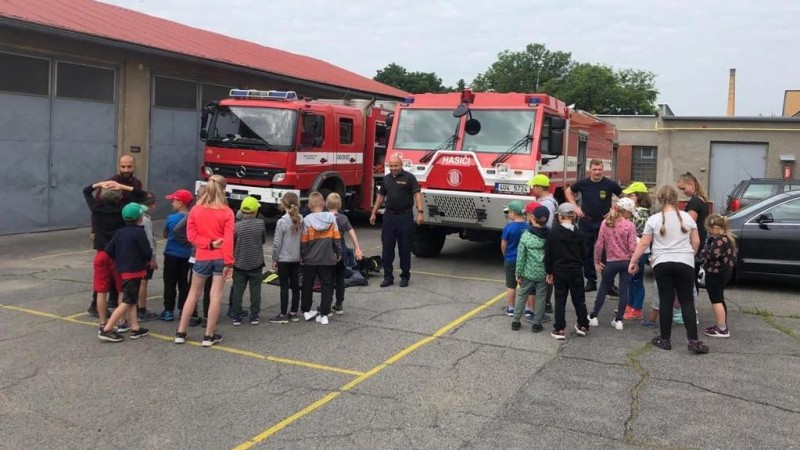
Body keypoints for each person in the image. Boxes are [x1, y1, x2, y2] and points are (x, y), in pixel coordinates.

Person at [628, 185, 709, 354]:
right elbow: (696, 242)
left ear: (659, 199)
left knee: (666, 300)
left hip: (662, 263)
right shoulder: (687, 218)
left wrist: (633, 261)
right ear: (676, 199)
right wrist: (689, 255)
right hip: (684, 262)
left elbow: (643, 243)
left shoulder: (654, 219)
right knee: (687, 301)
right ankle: (693, 340)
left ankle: (665, 339)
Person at [174, 175, 234, 347]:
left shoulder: (196, 210)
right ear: (223, 190)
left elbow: (190, 235)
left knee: (193, 293)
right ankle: (208, 335)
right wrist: (229, 262)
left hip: (202, 255)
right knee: (215, 295)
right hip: (220, 255)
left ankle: (181, 331)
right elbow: (229, 239)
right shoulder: (226, 212)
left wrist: (207, 244)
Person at [88, 154, 144, 317]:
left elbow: (141, 197)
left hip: (125, 229)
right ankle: (98, 304)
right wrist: (94, 230)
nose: (126, 169)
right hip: (111, 233)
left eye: (129, 166)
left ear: (134, 167)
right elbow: (96, 209)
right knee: (108, 274)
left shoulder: (136, 184)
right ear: (119, 166)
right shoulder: (110, 183)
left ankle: (114, 301)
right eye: (123, 166)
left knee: (115, 271)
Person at [564, 159, 623, 293]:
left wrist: (615, 209)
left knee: (606, 253)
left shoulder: (609, 184)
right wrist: (575, 206)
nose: (597, 172)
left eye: (599, 169)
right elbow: (568, 191)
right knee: (587, 252)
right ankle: (591, 281)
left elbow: (624, 197)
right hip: (587, 221)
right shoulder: (583, 183)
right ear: (589, 170)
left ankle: (608, 284)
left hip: (605, 222)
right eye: (594, 169)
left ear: (603, 169)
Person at [98, 203, 152, 342]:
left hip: (123, 270)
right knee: (127, 301)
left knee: (131, 299)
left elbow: (109, 249)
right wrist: (146, 259)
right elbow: (147, 251)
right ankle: (107, 329)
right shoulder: (139, 232)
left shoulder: (120, 232)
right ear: (140, 218)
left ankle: (135, 327)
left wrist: (121, 258)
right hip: (135, 271)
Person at [370, 155, 424, 288]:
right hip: (389, 217)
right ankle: (388, 277)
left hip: (405, 217)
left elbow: (417, 195)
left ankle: (405, 276)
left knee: (404, 248)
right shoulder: (387, 179)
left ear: (401, 165)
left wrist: (420, 213)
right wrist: (374, 212)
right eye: (391, 166)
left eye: (396, 166)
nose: (393, 168)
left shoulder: (409, 177)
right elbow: (381, 196)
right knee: (387, 249)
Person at [588, 198, 638, 331]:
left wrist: (597, 261)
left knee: (604, 287)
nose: (631, 215)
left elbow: (599, 245)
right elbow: (633, 247)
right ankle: (619, 320)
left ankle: (594, 316)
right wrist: (634, 262)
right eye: (630, 212)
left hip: (611, 261)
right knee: (624, 290)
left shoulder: (606, 223)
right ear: (626, 211)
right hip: (626, 261)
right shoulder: (630, 225)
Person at [545, 203, 591, 340]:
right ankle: (583, 325)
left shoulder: (553, 233)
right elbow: (585, 253)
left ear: (559, 216)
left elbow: (548, 254)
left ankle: (559, 328)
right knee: (579, 299)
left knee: (560, 299)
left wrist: (549, 271)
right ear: (574, 216)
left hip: (559, 270)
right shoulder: (579, 233)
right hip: (576, 270)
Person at [300, 192, 342, 325]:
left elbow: (304, 241)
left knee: (307, 284)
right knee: (327, 285)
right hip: (327, 258)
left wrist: (303, 255)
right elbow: (336, 238)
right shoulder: (331, 218)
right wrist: (338, 252)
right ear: (323, 204)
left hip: (311, 259)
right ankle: (324, 314)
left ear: (309, 205)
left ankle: (306, 311)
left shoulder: (307, 220)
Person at [229, 197, 267, 326]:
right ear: (256, 211)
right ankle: (255, 315)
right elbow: (263, 240)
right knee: (255, 290)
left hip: (239, 262)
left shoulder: (236, 226)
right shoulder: (260, 224)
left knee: (238, 290)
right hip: (256, 262)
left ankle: (236, 315)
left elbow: (232, 243)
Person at [699, 214, 737, 338]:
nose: (709, 232)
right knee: (720, 298)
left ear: (715, 227)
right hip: (725, 272)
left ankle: (722, 329)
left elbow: (711, 254)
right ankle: (722, 324)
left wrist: (704, 251)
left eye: (709, 229)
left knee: (716, 299)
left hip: (716, 273)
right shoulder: (728, 238)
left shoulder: (719, 240)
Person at [513, 205, 550, 333]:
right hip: (543, 272)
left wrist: (518, 272)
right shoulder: (549, 236)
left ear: (533, 218)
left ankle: (516, 321)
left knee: (522, 295)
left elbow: (521, 256)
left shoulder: (526, 236)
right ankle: (537, 323)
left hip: (528, 272)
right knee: (541, 297)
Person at [326, 193, 364, 315]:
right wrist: (357, 248)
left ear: (326, 204)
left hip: (327, 252)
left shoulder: (323, 217)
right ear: (340, 205)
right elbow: (352, 233)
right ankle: (339, 304)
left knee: (328, 279)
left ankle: (327, 304)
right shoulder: (343, 218)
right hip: (341, 251)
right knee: (340, 278)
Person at [160, 189, 193, 321]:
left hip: (172, 253)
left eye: (173, 201)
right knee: (183, 282)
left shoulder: (171, 218)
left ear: (180, 203)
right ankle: (183, 309)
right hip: (187, 255)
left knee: (169, 282)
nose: (172, 203)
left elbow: (165, 234)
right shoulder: (192, 217)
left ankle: (168, 310)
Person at [621, 182, 652, 321]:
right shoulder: (639, 212)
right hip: (636, 249)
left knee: (636, 280)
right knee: (631, 279)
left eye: (631, 195)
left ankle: (637, 309)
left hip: (639, 250)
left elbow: (636, 233)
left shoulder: (640, 213)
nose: (628, 197)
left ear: (639, 196)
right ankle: (630, 305)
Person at [270, 192, 303, 324]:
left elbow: (277, 242)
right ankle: (294, 312)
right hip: (296, 257)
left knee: (284, 286)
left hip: (284, 258)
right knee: (295, 285)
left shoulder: (282, 222)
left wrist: (274, 258)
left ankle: (283, 313)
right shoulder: (301, 219)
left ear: (284, 204)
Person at [676, 172, 709, 291]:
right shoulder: (702, 200)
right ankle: (693, 306)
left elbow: (688, 224)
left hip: (693, 243)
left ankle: (690, 305)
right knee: (693, 276)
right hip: (700, 241)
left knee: (689, 278)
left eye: (683, 188)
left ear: (691, 184)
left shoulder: (694, 202)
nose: (683, 192)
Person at [500, 200, 528, 316]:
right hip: (525, 260)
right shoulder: (527, 226)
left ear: (513, 213)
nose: (508, 214)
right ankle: (527, 309)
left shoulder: (509, 227)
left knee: (511, 285)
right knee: (526, 286)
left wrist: (505, 254)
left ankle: (511, 308)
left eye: (508, 212)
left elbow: (503, 244)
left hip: (511, 259)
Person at [136, 192, 159, 322]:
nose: (153, 206)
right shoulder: (145, 220)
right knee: (143, 282)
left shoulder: (137, 217)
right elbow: (150, 240)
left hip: (136, 256)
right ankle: (142, 309)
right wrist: (152, 259)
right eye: (150, 204)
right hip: (145, 257)